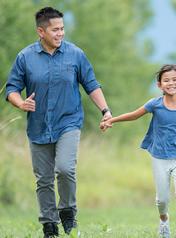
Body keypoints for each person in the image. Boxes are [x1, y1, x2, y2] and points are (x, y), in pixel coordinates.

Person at [5, 7, 112, 238]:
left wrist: (105, 110)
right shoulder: (25, 57)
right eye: (55, 30)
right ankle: (49, 225)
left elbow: (91, 84)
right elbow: (12, 88)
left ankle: (68, 211)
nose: (61, 33)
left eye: (62, 28)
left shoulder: (75, 55)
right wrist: (20, 103)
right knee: (43, 179)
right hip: (38, 125)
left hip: (69, 122)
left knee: (65, 169)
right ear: (40, 31)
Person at [100, 64, 176, 238]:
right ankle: (164, 221)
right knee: (162, 199)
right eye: (166, 80)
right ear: (159, 85)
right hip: (159, 157)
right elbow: (135, 114)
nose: (170, 83)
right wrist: (112, 120)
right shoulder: (155, 104)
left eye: (174, 80)